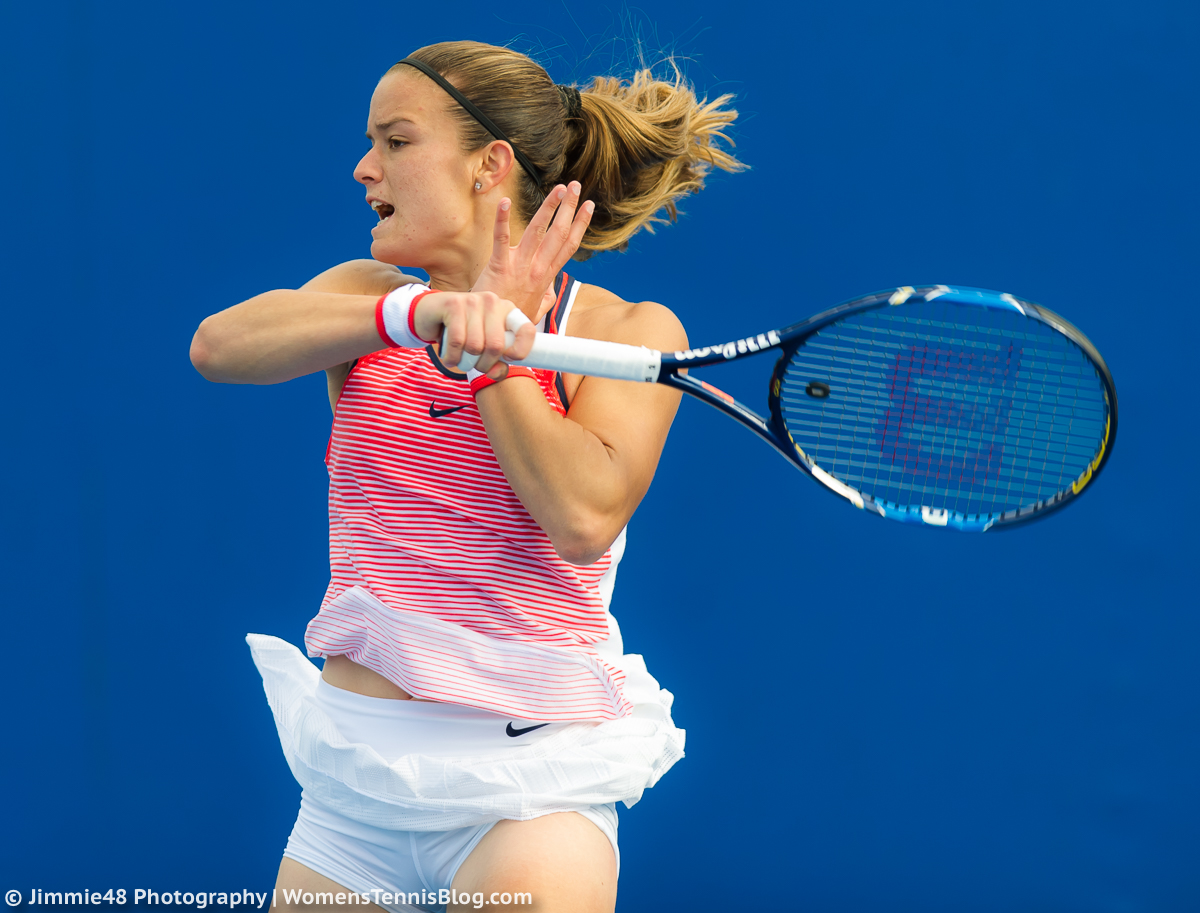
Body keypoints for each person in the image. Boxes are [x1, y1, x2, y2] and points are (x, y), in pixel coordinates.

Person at [190, 40, 743, 913]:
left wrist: (501, 362)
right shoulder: (367, 300)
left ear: (490, 165)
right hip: (353, 793)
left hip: (528, 794)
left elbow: (584, 515)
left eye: (396, 141)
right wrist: (418, 312)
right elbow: (218, 347)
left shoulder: (627, 328)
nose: (364, 166)